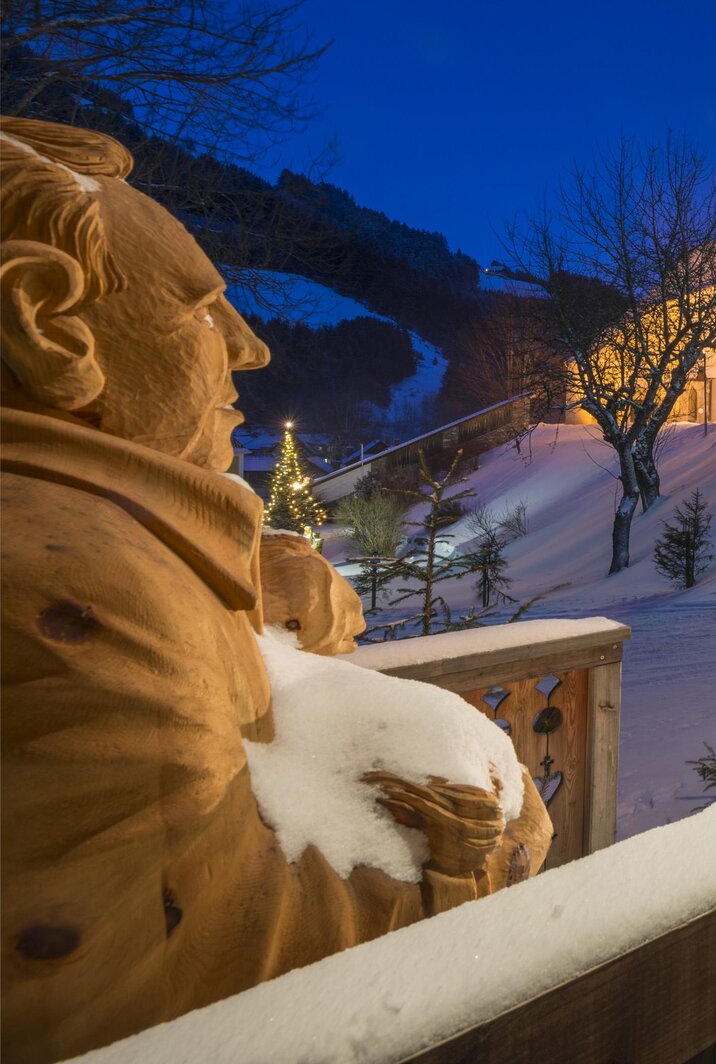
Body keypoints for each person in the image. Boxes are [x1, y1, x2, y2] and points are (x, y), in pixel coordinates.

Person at [0, 118, 550, 1063]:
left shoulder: (86, 550)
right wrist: (480, 856)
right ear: (47, 323)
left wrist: (249, 573)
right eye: (201, 306)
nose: (248, 347)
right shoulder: (74, 600)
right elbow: (188, 980)